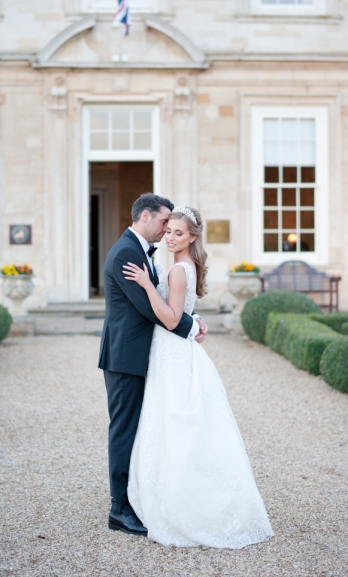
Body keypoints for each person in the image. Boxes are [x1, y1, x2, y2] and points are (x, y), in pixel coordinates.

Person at [122, 205, 274, 548]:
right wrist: (197, 319)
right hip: (177, 352)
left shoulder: (177, 270)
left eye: (179, 233)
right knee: (183, 423)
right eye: (169, 231)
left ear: (192, 236)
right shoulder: (186, 266)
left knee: (175, 423)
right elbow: (187, 310)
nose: (171, 238)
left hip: (172, 351)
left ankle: (184, 504)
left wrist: (147, 285)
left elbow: (173, 319)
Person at [98, 193, 208, 537]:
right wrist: (190, 326)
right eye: (164, 223)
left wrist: (192, 316)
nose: (166, 231)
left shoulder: (139, 251)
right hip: (125, 356)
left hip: (140, 353)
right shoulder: (127, 253)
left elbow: (162, 301)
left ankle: (139, 497)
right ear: (145, 216)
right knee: (124, 430)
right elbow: (149, 309)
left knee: (146, 428)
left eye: (174, 227)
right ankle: (119, 509)